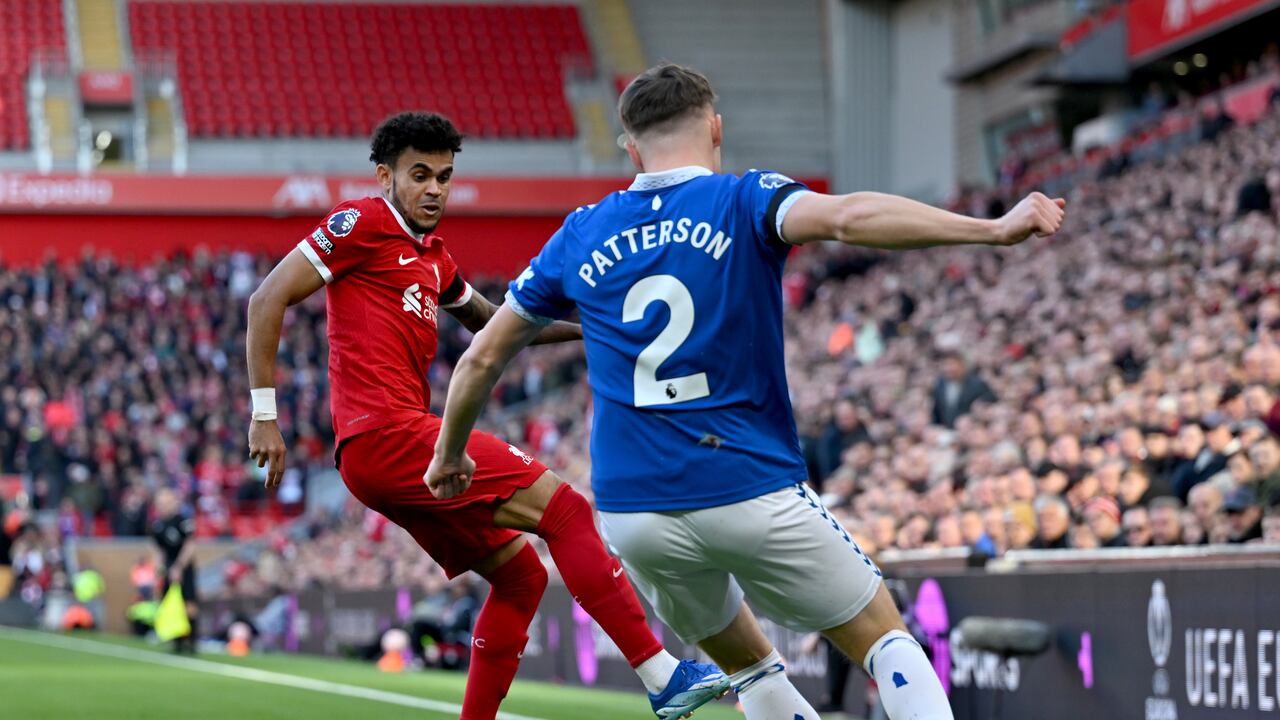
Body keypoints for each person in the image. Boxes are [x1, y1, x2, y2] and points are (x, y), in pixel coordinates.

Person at [428, 63, 1064, 720]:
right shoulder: (745, 197)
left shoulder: (581, 232)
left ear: (631, 148)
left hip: (636, 511)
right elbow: (850, 216)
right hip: (747, 483)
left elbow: (479, 360)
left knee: (750, 667)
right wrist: (990, 229)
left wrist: (449, 454)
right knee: (885, 640)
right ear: (715, 127)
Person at [245, 112, 727, 720]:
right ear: (384, 175)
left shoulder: (434, 259)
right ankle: (661, 675)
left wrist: (595, 329)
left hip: (380, 454)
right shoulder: (362, 223)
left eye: (444, 177)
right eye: (419, 175)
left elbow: (496, 323)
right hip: (388, 436)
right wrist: (266, 414)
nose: (434, 190)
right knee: (567, 511)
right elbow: (267, 297)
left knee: (521, 577)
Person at [151, 488, 197, 654]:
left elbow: (190, 545)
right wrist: (159, 569)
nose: (163, 506)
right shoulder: (157, 525)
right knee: (169, 602)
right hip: (168, 567)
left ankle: (191, 641)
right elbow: (158, 550)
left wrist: (179, 566)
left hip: (184, 567)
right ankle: (175, 640)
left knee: (188, 603)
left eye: (166, 503)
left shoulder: (183, 521)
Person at [931, 353, 997, 429]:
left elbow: (992, 397)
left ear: (961, 365)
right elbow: (937, 411)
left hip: (970, 428)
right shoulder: (940, 385)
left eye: (952, 364)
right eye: (946, 365)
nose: (948, 368)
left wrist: (980, 403)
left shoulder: (976, 383)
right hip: (947, 429)